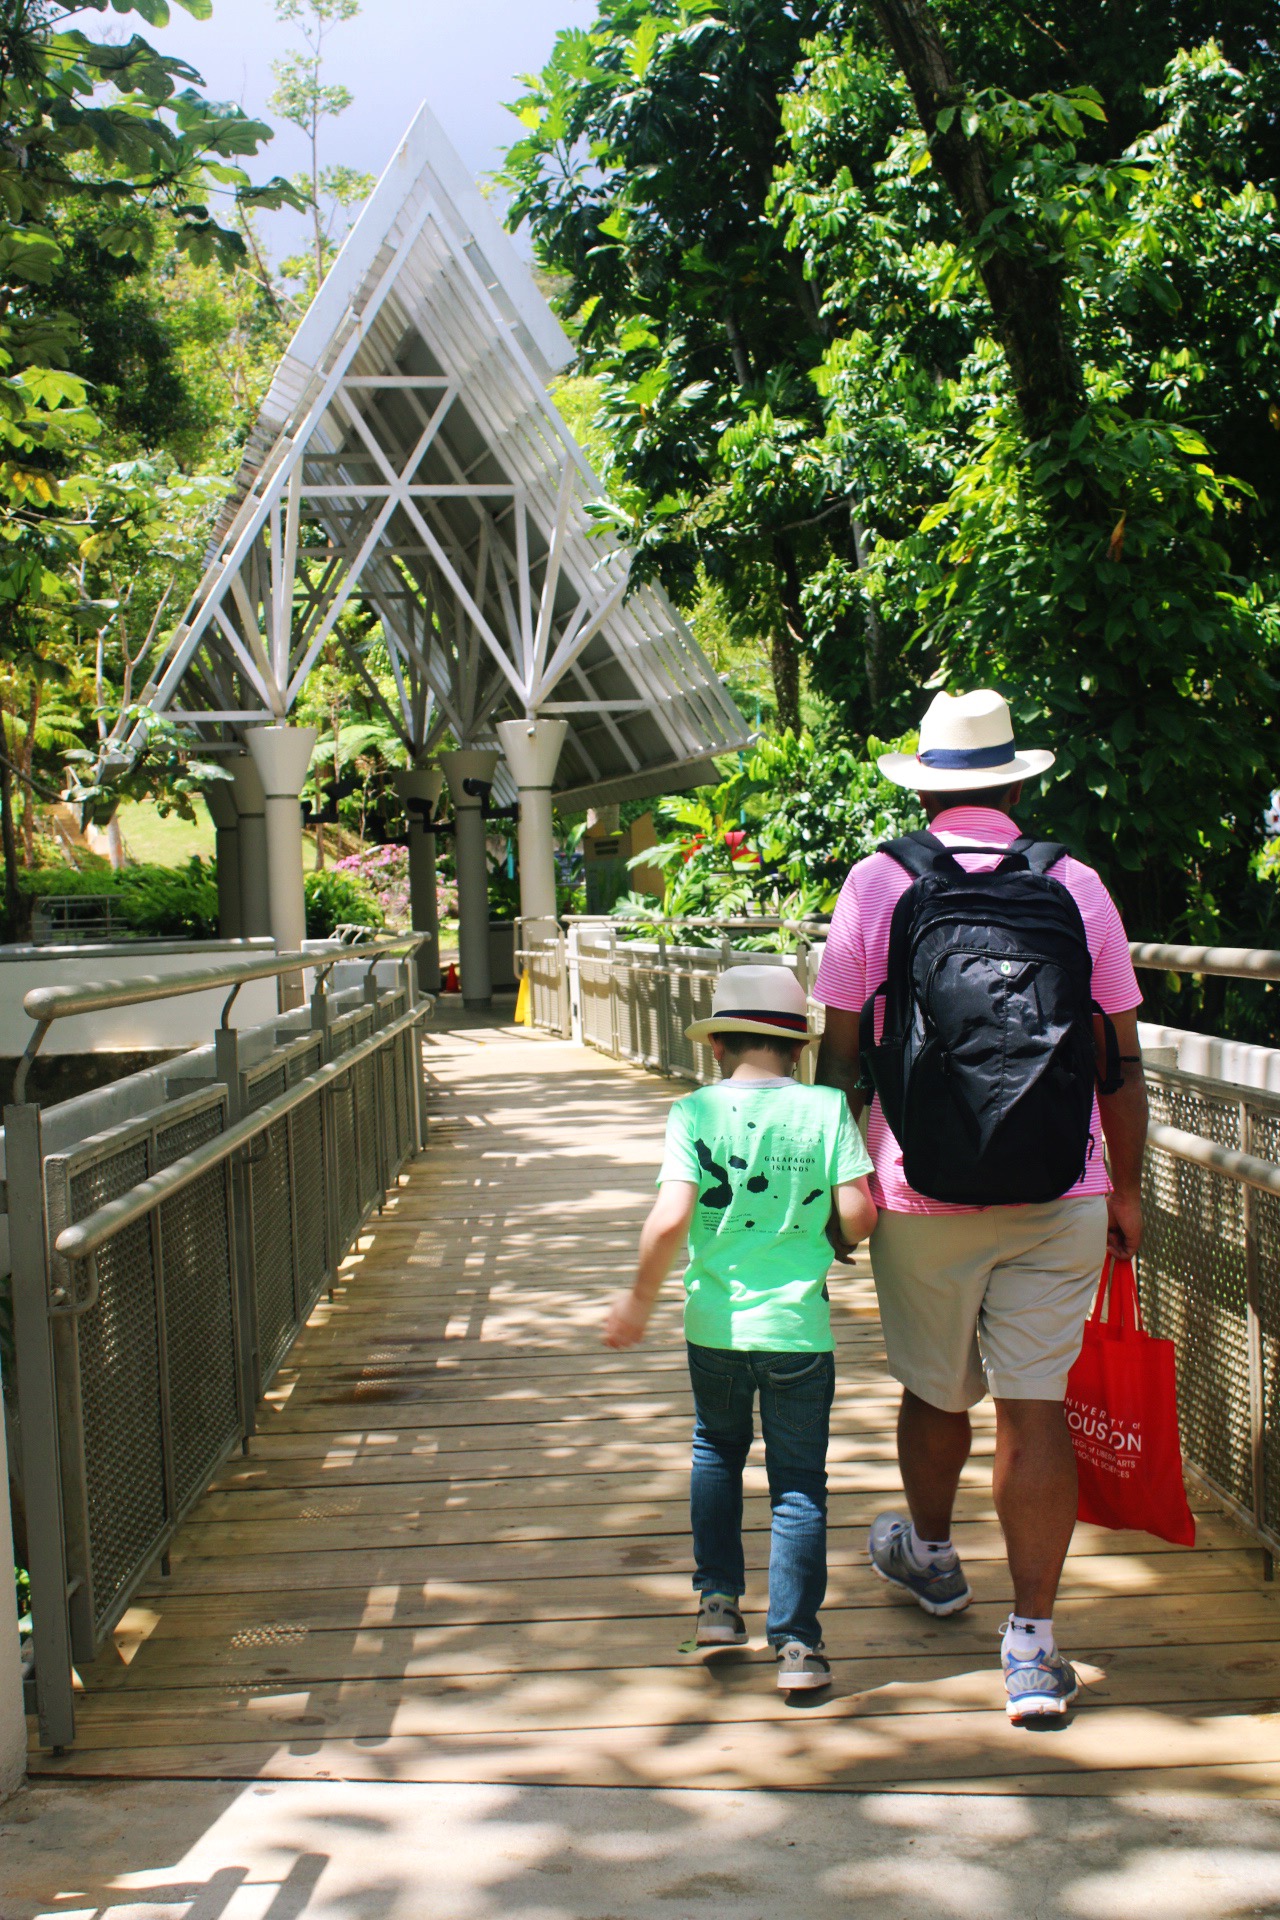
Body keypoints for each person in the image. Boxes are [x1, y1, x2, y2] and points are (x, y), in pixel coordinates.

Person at [815, 688, 1149, 1723]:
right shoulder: (1075, 884)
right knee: (1031, 1403)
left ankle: (930, 1555)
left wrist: (840, 1179)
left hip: (918, 1187)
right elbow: (1119, 1059)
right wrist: (1127, 1190)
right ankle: (1033, 1646)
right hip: (1062, 1186)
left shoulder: (878, 881)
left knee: (933, 1389)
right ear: (1014, 779)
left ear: (921, 787)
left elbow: (837, 1054)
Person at [604, 964, 877, 1692]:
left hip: (714, 1328)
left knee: (717, 1452)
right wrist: (829, 1238)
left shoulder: (693, 1113)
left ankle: (718, 1605)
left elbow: (667, 1221)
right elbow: (860, 1213)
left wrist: (636, 1300)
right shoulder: (826, 1110)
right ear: (798, 1048)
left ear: (718, 1046)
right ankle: (797, 1648)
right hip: (798, 1331)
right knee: (797, 1486)